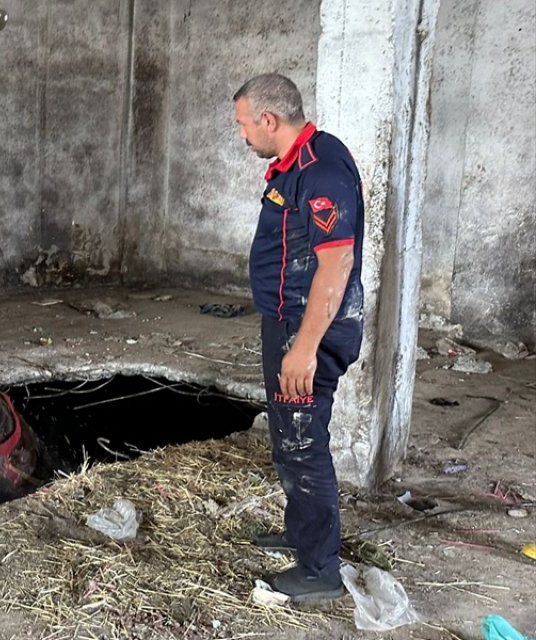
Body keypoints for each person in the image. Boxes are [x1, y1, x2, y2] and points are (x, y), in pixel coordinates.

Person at [233, 73, 365, 602]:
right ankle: (301, 533)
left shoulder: (321, 169)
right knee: (290, 438)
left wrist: (304, 347)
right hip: (288, 321)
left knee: (303, 442)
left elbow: (336, 265)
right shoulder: (299, 162)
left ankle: (318, 572)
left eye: (243, 124)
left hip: (307, 329)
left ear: (269, 120)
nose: (242, 135)